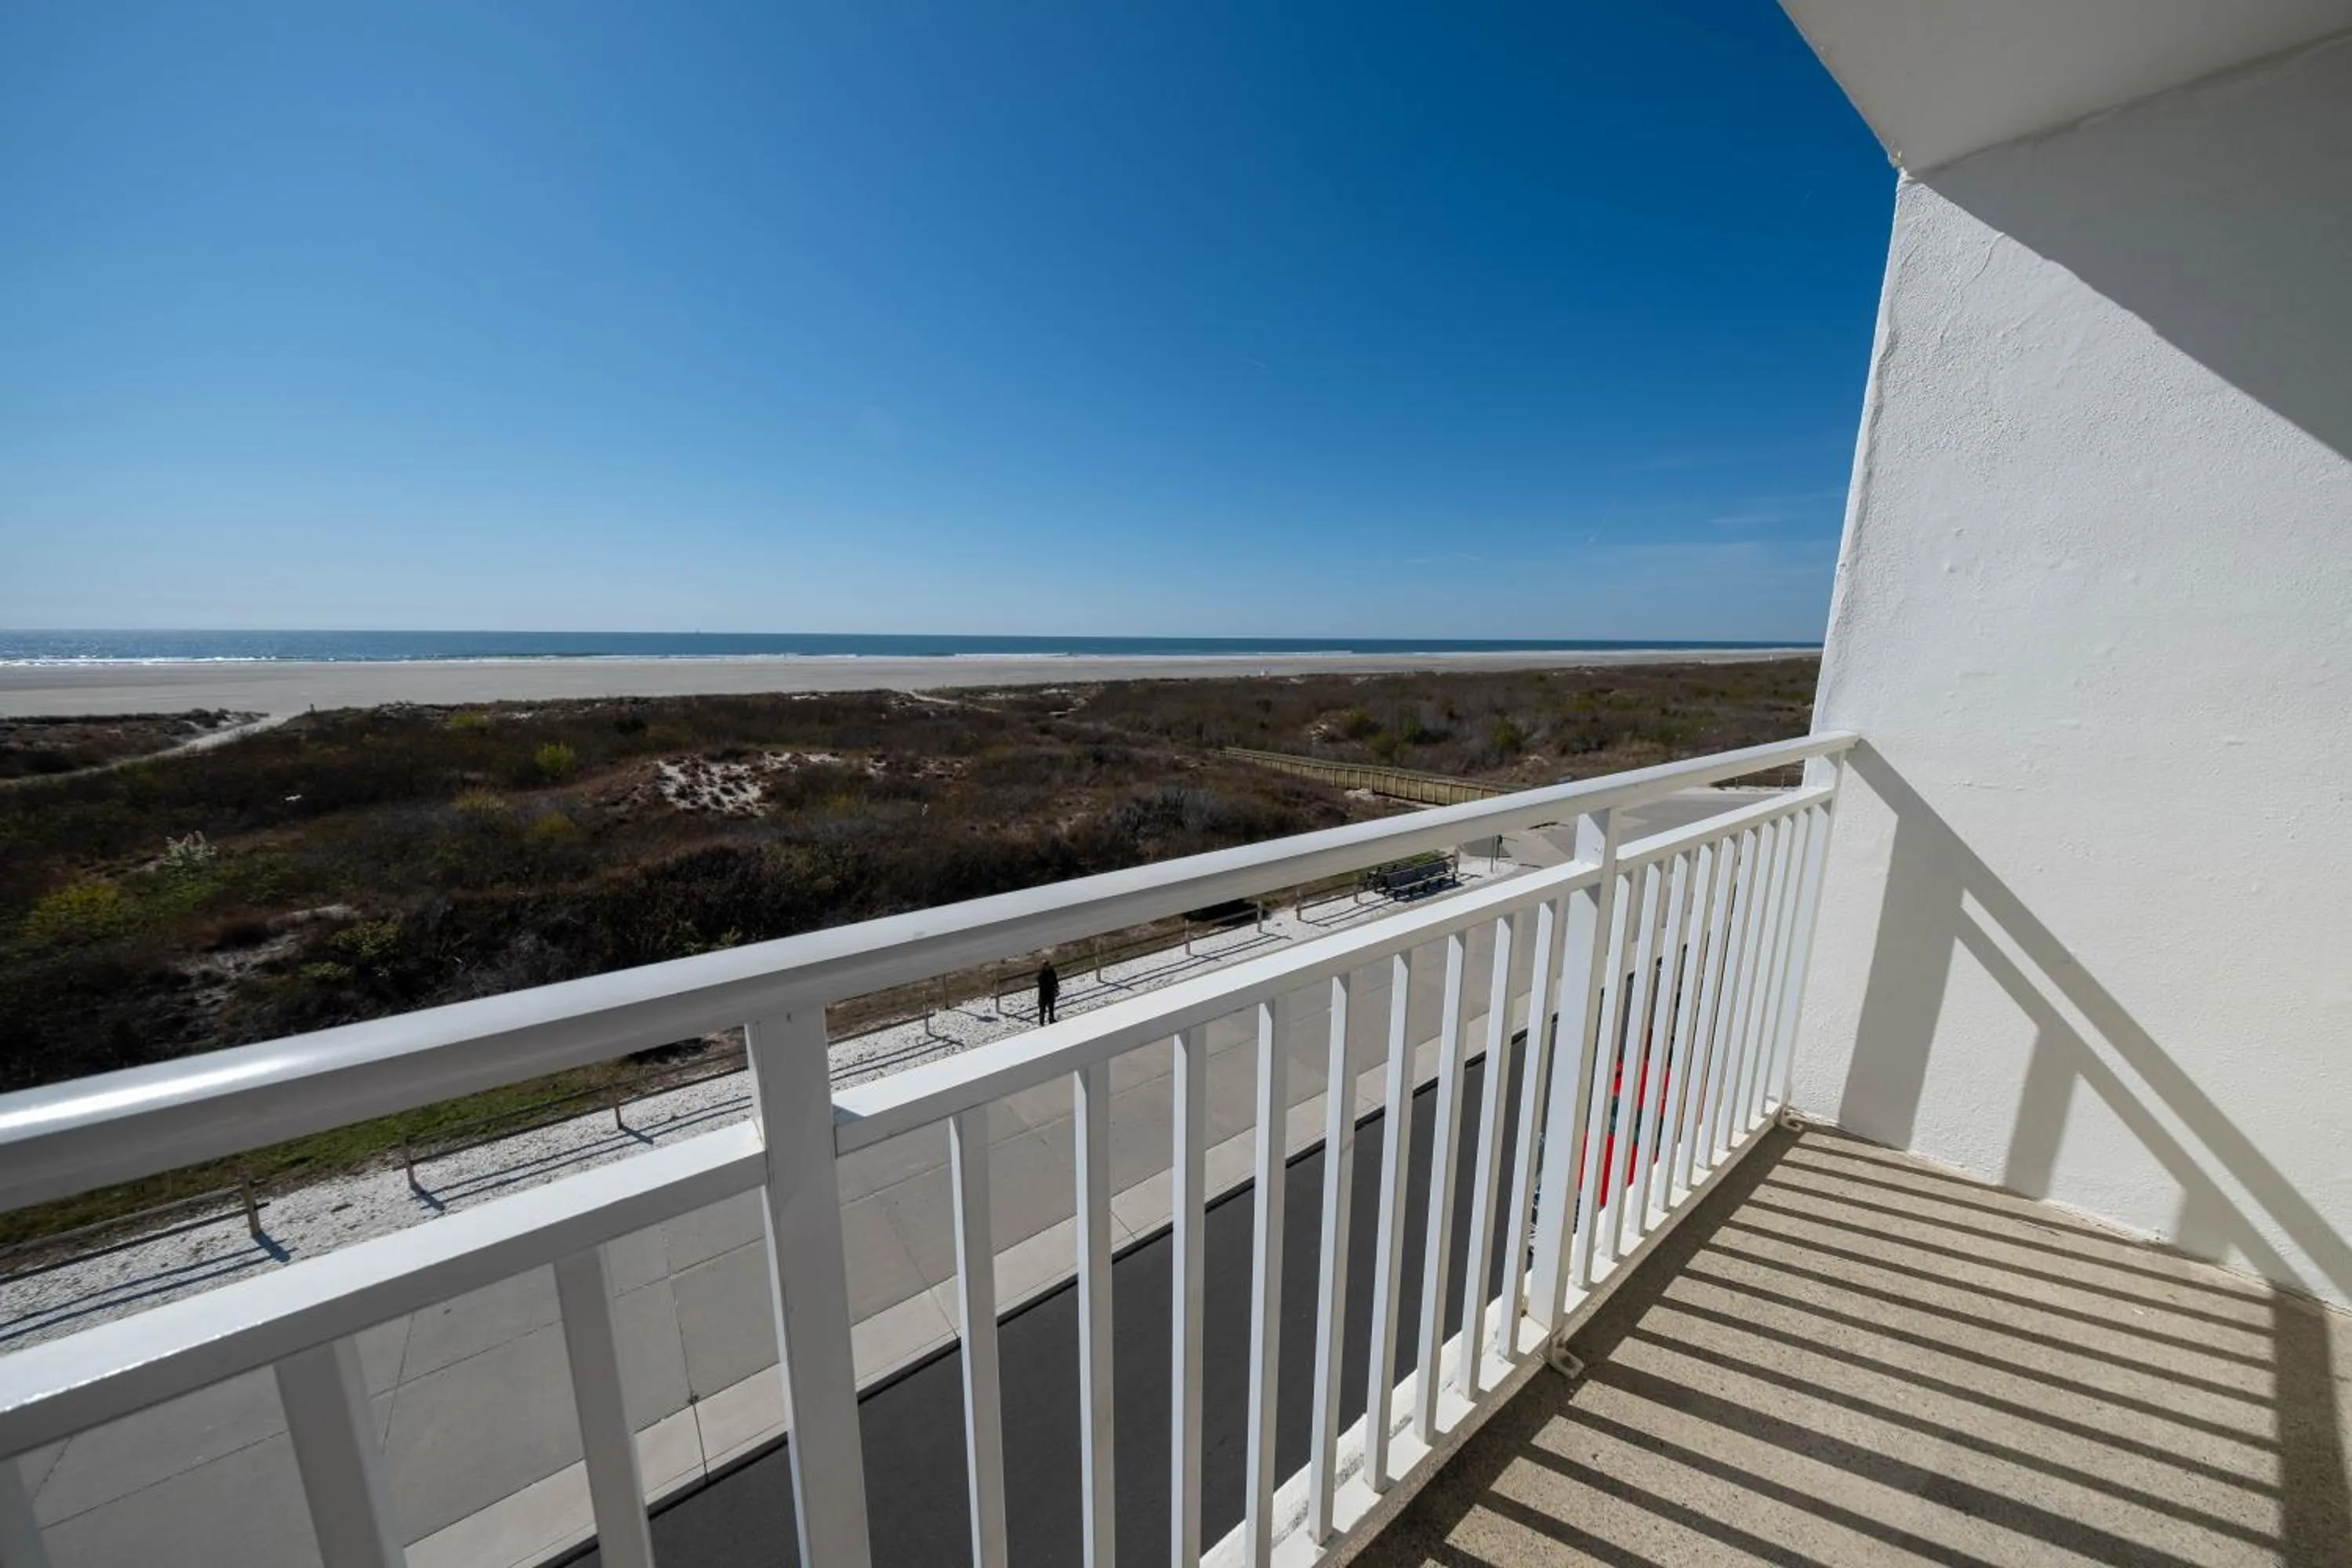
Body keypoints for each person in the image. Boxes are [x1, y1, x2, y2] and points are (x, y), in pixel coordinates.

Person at [1036, 960, 1060, 1024]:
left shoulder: (1052, 972)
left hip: (1051, 991)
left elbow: (1055, 980)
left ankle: (1051, 1018)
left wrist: (1056, 987)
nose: (1047, 966)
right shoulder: (1041, 974)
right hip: (1044, 993)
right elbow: (1042, 984)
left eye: (1048, 965)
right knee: (1042, 1008)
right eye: (1045, 965)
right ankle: (1041, 1021)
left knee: (1051, 1006)